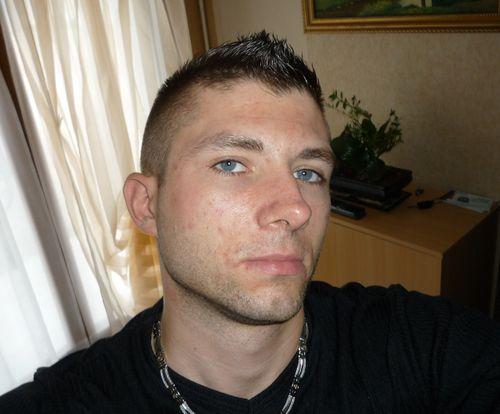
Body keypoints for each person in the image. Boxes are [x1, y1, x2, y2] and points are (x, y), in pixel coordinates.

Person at [1, 31, 499, 414]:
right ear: (147, 205)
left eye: (308, 172)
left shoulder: (421, 347)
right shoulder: (68, 401)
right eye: (231, 164)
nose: (296, 208)